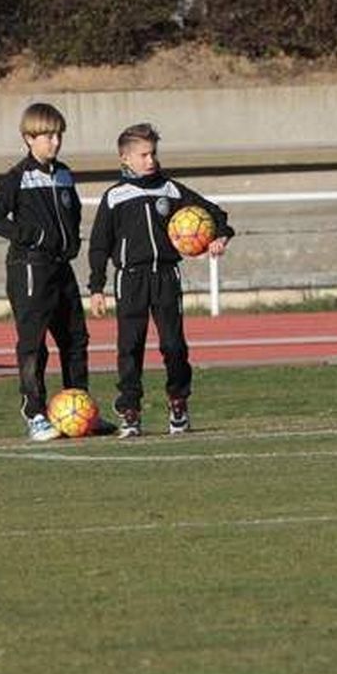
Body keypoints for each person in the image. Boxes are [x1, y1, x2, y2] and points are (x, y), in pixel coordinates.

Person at [87, 123, 233, 438]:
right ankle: (130, 409)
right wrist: (96, 287)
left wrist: (219, 237)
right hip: (131, 279)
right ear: (125, 158)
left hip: (166, 275)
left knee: (173, 344)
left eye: (153, 153)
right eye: (143, 155)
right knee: (130, 346)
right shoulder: (115, 197)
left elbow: (215, 214)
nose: (150, 160)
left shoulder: (171, 190)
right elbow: (99, 244)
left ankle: (178, 403)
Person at [0, 102, 102, 441]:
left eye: (58, 134)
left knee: (75, 339)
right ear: (28, 138)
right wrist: (32, 237)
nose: (55, 142)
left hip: (61, 267)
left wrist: (72, 240)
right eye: (47, 135)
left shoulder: (64, 173)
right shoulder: (18, 177)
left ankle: (80, 408)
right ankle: (34, 412)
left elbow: (72, 212)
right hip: (30, 269)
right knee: (34, 344)